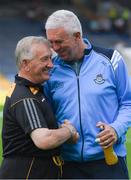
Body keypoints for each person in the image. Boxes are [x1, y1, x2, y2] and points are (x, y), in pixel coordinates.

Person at [44, 10, 131, 179]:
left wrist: (115, 128)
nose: (54, 48)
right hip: (67, 164)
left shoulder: (111, 60)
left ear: (77, 36)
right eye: (51, 42)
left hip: (109, 162)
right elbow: (46, 111)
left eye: (59, 41)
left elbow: (128, 103)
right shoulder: (50, 69)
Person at [0, 36, 79, 179]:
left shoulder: (33, 91)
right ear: (26, 64)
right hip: (26, 173)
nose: (51, 64)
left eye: (50, 58)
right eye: (44, 59)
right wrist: (69, 131)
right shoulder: (25, 97)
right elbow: (44, 140)